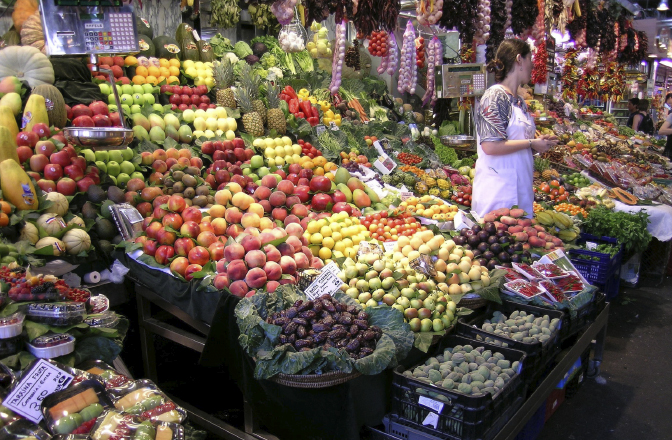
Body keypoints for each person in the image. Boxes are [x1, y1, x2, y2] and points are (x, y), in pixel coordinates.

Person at [472, 39, 558, 218]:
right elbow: (490, 146)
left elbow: (516, 142)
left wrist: (537, 145)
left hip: (520, 187)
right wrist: (530, 142)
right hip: (499, 192)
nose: (533, 65)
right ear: (519, 59)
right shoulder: (495, 96)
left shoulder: (518, 101)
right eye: (530, 59)